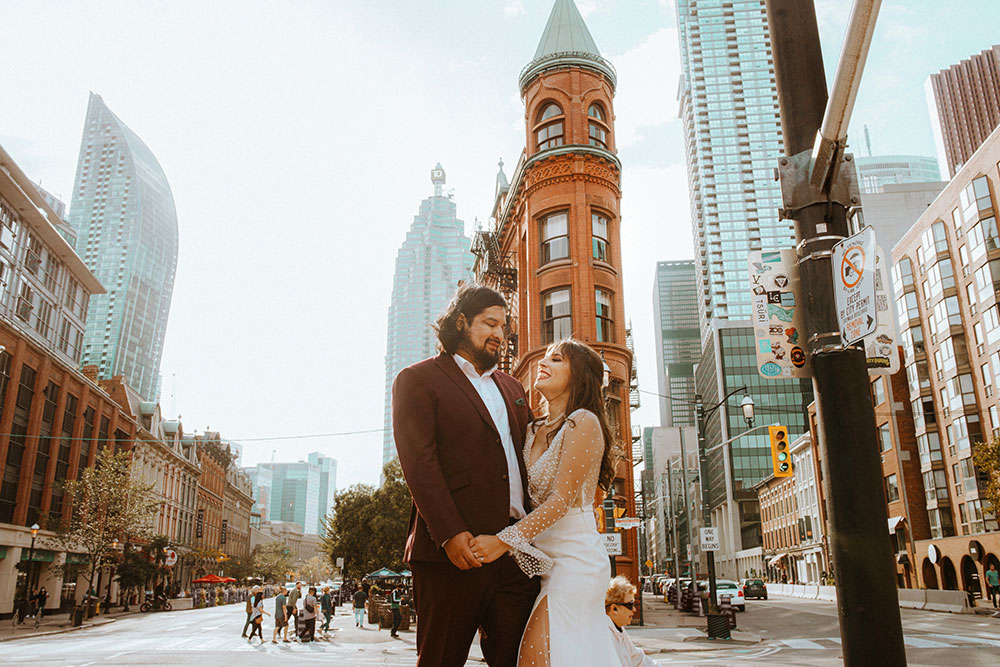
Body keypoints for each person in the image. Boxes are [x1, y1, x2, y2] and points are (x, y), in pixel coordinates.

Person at [393, 285, 538, 667]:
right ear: (461, 322)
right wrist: (450, 534)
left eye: (504, 326)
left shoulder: (513, 386)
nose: (499, 334)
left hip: (514, 554)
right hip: (451, 557)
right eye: (490, 323)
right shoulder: (418, 379)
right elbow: (419, 463)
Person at [469, 338, 621, 665]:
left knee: (535, 658)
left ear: (578, 375)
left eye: (556, 359)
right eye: (545, 357)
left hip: (576, 561)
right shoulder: (532, 428)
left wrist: (501, 542)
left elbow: (560, 501)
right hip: (540, 561)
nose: (543, 363)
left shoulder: (583, 422)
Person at [605, 576, 656, 666]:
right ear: (614, 609)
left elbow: (637, 658)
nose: (634, 610)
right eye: (630, 605)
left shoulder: (619, 630)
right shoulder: (604, 635)